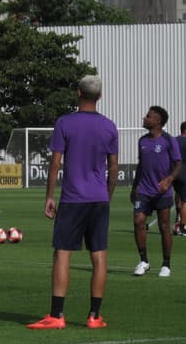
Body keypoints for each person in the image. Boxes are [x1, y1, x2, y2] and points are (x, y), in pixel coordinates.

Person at [27, 75, 118, 329]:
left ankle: (57, 315)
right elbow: (113, 168)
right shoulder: (110, 126)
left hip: (73, 199)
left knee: (63, 254)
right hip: (99, 199)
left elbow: (56, 162)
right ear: (99, 96)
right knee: (99, 255)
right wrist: (106, 196)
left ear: (78, 93)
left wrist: (49, 196)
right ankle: (94, 316)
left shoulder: (65, 122)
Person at [131, 107, 181, 278]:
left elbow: (178, 164)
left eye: (148, 116)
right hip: (143, 190)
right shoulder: (142, 141)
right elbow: (140, 165)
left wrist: (169, 179)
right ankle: (144, 261)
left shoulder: (169, 140)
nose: (144, 118)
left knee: (164, 227)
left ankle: (166, 264)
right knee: (138, 221)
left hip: (162, 192)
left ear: (158, 121)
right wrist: (134, 187)